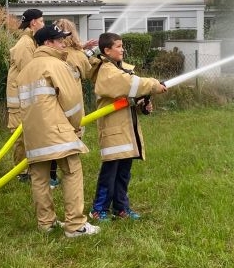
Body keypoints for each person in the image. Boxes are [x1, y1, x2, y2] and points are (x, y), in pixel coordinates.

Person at [17, 24, 100, 238]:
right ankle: (75, 225)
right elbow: (72, 101)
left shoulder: (26, 70)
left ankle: (46, 223)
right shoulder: (56, 65)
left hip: (33, 133)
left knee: (39, 178)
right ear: (47, 43)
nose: (63, 42)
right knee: (72, 172)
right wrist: (75, 126)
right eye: (59, 39)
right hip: (58, 130)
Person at [89, 32, 167, 221]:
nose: (122, 49)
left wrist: (143, 103)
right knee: (110, 173)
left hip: (126, 129)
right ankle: (99, 210)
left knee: (123, 173)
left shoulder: (120, 68)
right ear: (107, 50)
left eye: (122, 45)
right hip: (114, 130)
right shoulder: (107, 71)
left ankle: (121, 208)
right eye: (118, 46)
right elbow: (129, 85)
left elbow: (129, 95)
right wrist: (153, 85)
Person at [50, 18, 99, 187]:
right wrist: (88, 52)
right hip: (73, 103)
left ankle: (51, 176)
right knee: (72, 135)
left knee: (54, 137)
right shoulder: (77, 55)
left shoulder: (51, 53)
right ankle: (70, 174)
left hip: (53, 103)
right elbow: (87, 69)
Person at [6, 8, 44, 181]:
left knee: (29, 134)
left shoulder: (31, 41)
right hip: (18, 101)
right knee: (20, 137)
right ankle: (22, 172)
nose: (43, 24)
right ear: (34, 22)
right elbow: (30, 71)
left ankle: (28, 167)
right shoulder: (25, 44)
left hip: (24, 99)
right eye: (42, 21)